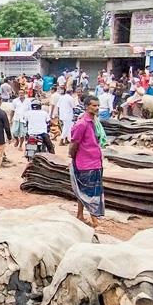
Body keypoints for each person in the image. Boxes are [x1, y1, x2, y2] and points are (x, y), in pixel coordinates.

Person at [69, 95, 105, 227]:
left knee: (82, 190)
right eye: (93, 105)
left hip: (94, 160)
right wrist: (72, 156)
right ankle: (95, 222)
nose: (96, 108)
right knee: (92, 192)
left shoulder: (94, 122)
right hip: (86, 163)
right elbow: (74, 143)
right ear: (86, 106)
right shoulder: (82, 123)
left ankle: (80, 214)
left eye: (97, 105)